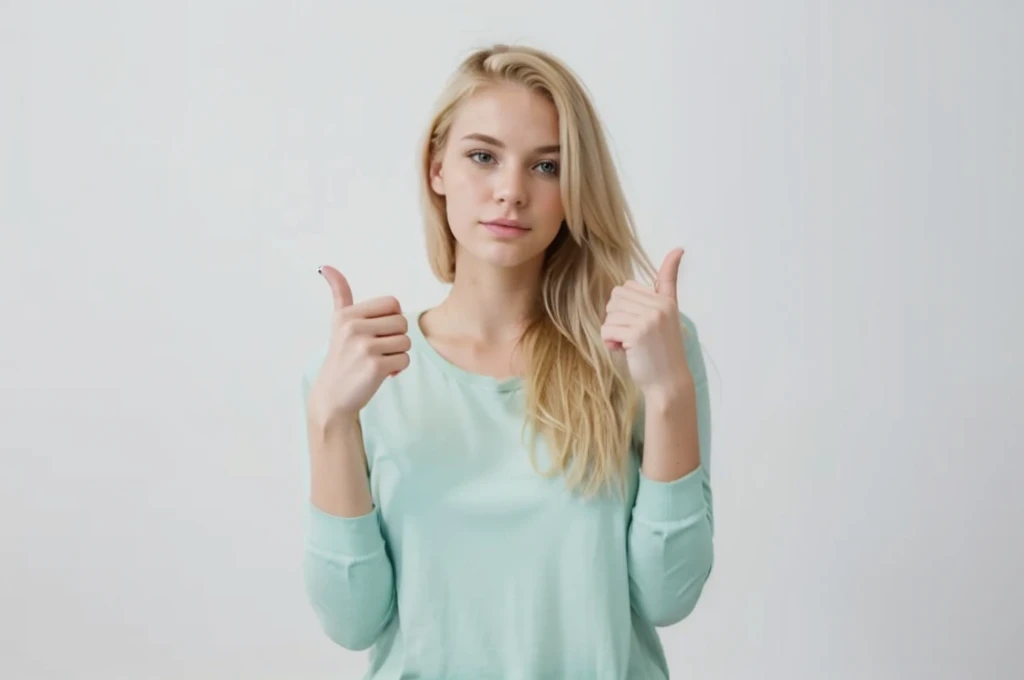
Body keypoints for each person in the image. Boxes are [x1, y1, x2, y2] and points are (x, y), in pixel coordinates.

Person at [300, 43, 713, 679]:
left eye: (547, 167)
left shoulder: (647, 351)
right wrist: (329, 418)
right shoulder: (364, 371)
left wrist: (669, 397)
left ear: (575, 188)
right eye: (483, 157)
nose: (511, 192)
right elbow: (353, 621)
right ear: (437, 167)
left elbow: (668, 595)